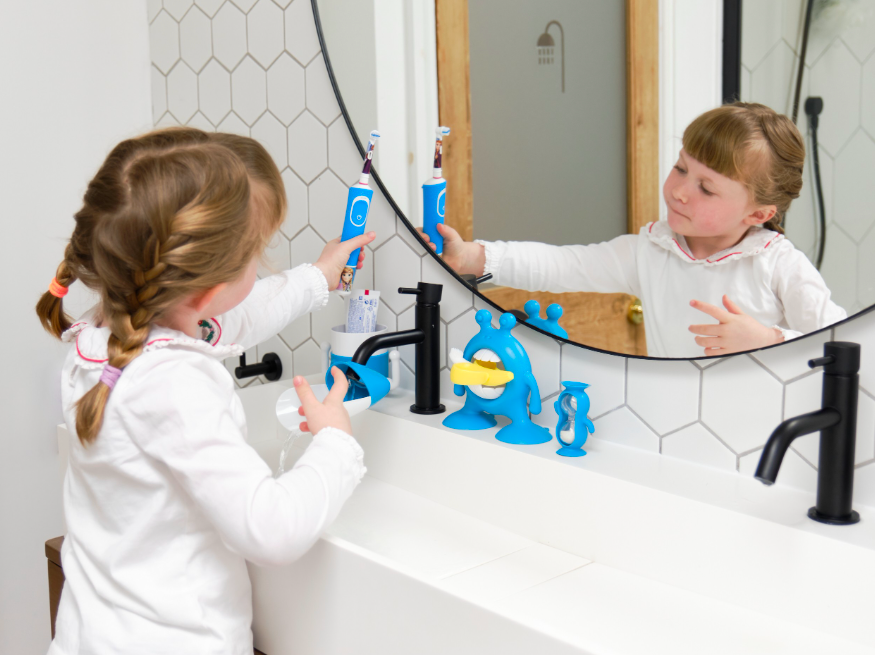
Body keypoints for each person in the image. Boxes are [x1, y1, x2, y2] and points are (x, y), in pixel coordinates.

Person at [35, 127, 375, 654]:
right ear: (210, 289)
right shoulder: (175, 383)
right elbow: (271, 530)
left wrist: (317, 277)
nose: (260, 262)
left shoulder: (102, 341)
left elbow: (234, 318)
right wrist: (335, 442)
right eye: (256, 253)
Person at [423, 102, 846, 358]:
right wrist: (472, 256)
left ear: (757, 214)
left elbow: (843, 345)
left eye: (706, 188)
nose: (680, 191)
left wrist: (768, 340)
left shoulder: (779, 266)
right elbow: (564, 265)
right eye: (681, 167)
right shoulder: (652, 251)